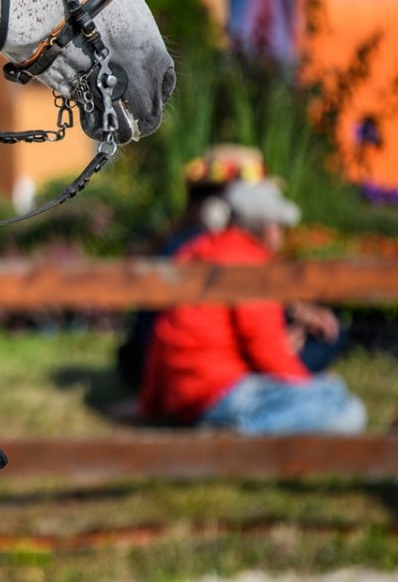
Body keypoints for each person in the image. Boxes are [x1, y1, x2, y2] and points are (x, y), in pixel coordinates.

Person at [139, 173, 365, 434]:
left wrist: (150, 403)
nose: (282, 233)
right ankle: (242, 437)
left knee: (330, 390)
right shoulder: (249, 264)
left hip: (187, 389)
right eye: (281, 226)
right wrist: (303, 384)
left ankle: (243, 431)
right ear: (268, 228)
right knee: (347, 411)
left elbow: (163, 331)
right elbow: (265, 349)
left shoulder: (199, 249)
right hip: (218, 392)